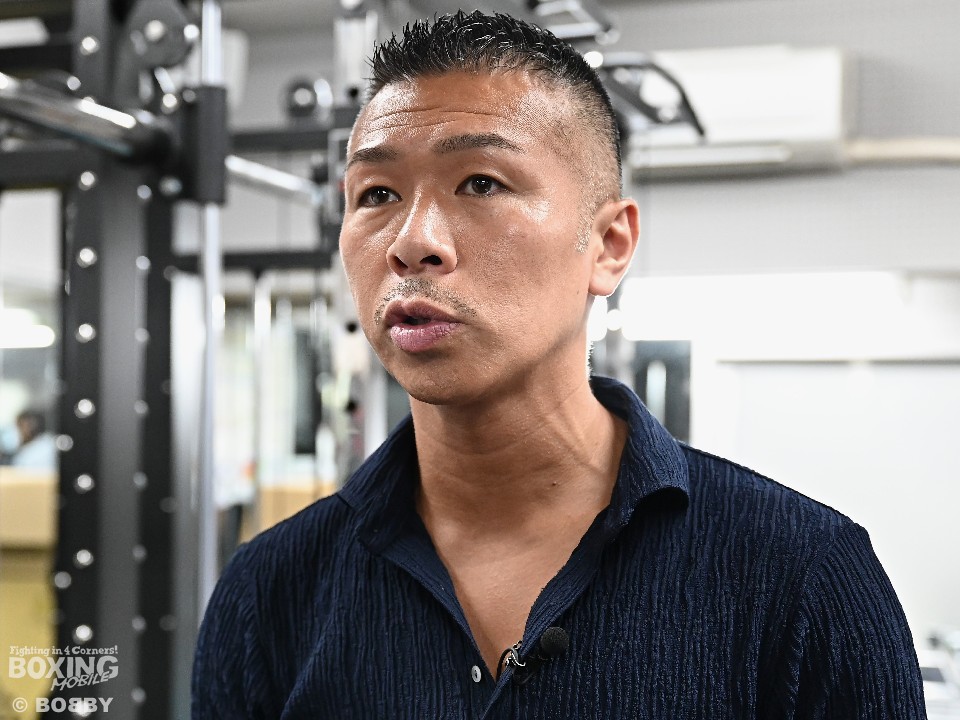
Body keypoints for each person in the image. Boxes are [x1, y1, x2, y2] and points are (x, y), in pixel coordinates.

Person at [192, 11, 925, 718]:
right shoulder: (270, 592)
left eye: (481, 183)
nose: (413, 242)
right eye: (377, 194)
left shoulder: (800, 575)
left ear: (608, 245)